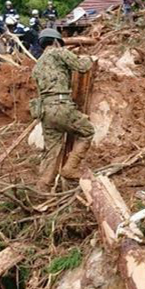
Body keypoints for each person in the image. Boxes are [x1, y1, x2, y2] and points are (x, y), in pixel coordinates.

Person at [31, 28, 95, 192]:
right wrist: (89, 57)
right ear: (55, 42)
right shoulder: (59, 52)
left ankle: (42, 189)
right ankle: (70, 168)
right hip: (61, 106)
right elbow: (82, 66)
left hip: (45, 112)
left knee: (51, 151)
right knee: (87, 131)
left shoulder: (37, 65)